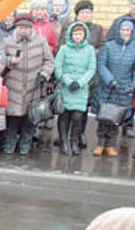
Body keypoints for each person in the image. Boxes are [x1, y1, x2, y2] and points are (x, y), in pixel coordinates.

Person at [2, 13, 54, 156]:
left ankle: (26, 143)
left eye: (26, 27)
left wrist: (44, 75)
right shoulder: (8, 42)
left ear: (31, 28)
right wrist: (9, 61)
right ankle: (9, 142)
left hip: (33, 85)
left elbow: (49, 61)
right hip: (13, 85)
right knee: (12, 118)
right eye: (20, 27)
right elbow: (0, 59)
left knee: (30, 118)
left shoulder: (41, 41)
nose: (23, 30)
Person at [54, 22, 96, 156]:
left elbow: (91, 69)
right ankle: (64, 142)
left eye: (81, 34)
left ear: (85, 35)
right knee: (64, 116)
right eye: (76, 34)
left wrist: (80, 82)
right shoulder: (64, 49)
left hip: (81, 88)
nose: (78, 36)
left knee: (78, 116)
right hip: (65, 87)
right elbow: (58, 68)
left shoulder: (90, 50)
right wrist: (68, 81)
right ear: (71, 35)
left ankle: (74, 141)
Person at [95, 19, 135, 157]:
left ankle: (111, 144)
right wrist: (110, 80)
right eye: (123, 30)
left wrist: (132, 85)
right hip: (108, 88)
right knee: (104, 117)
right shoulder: (108, 46)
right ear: (118, 31)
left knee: (116, 118)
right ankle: (100, 143)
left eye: (128, 30)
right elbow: (101, 65)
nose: (125, 32)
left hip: (124, 89)